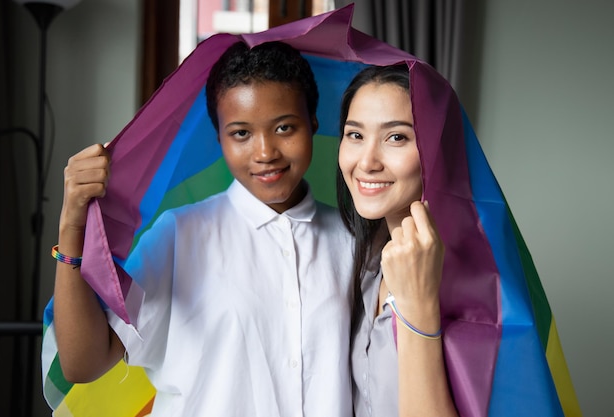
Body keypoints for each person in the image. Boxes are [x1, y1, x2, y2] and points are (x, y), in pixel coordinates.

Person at [52, 41, 353, 416]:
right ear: (219, 139)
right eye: (241, 133)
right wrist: (71, 225)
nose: (264, 152)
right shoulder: (179, 235)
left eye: (284, 127)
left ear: (313, 124)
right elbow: (82, 364)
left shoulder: (354, 241)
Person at [336, 64, 459, 417]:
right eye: (355, 135)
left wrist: (418, 305)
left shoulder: (466, 280)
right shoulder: (368, 263)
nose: (367, 162)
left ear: (437, 149)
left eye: (396, 137)